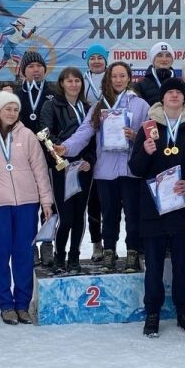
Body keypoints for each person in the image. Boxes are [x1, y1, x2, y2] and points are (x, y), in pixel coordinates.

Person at [129, 77, 185, 338]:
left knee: (181, 264)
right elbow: (136, 169)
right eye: (169, 92)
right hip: (153, 207)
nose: (174, 96)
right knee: (153, 263)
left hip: (181, 207)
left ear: (184, 98)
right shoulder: (148, 127)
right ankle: (152, 313)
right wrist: (146, 151)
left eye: (178, 92)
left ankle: (183, 313)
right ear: (161, 98)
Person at [55, 61, 150, 272]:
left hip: (130, 170)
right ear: (108, 78)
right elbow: (83, 132)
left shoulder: (141, 105)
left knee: (133, 214)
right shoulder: (99, 107)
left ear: (129, 78)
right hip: (105, 171)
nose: (118, 80)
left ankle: (132, 253)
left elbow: (149, 136)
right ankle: (109, 252)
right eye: (114, 76)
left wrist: (134, 136)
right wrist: (66, 148)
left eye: (122, 76)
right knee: (109, 213)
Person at [0, 91, 54, 325]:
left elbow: (39, 170)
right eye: (7, 108)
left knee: (24, 255)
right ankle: (6, 305)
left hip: (27, 203)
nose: (12, 113)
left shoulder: (27, 135)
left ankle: (22, 304)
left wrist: (46, 201)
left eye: (15, 109)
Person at [38, 67, 96, 272]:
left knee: (80, 215)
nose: (74, 84)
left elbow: (93, 138)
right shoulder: (51, 105)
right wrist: (61, 153)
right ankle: (59, 256)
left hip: (83, 168)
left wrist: (89, 159)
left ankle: (74, 257)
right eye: (69, 81)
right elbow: (45, 133)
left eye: (77, 81)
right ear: (61, 83)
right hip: (61, 167)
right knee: (66, 216)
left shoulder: (88, 107)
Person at [15, 50, 57, 266]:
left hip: (50, 157)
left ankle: (47, 244)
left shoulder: (54, 92)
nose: (36, 70)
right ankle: (31, 245)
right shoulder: (14, 95)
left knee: (50, 204)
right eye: (31, 66)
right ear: (24, 71)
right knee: (29, 205)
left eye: (39, 66)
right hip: (23, 159)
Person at [82, 44, 108, 262]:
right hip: (87, 144)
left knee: (109, 198)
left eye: (100, 57)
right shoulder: (80, 82)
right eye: (93, 58)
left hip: (112, 144)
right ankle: (96, 243)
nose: (97, 61)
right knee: (93, 199)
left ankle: (112, 242)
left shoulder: (115, 81)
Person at [133, 41, 185, 106]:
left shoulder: (181, 84)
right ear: (153, 59)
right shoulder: (140, 86)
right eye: (159, 55)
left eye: (168, 55)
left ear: (172, 59)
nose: (164, 59)